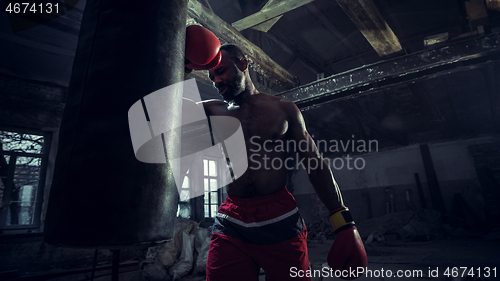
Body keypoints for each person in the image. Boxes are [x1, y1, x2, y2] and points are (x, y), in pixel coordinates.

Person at [195, 44, 367, 281]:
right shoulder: (213, 110)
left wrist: (343, 222)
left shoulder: (284, 110)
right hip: (232, 219)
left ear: (243, 65)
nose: (217, 81)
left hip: (279, 217)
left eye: (222, 71)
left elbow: (315, 165)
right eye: (212, 76)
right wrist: (183, 67)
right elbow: (163, 115)